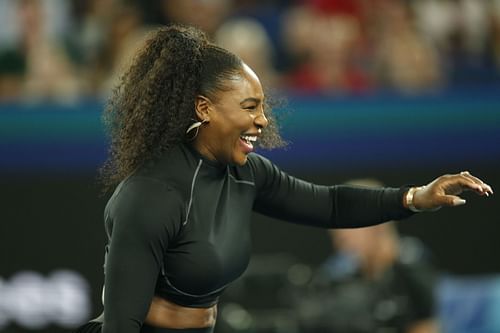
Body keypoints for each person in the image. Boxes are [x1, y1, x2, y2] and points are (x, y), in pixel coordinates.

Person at [75, 24, 493, 333]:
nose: (262, 119)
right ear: (203, 108)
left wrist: (417, 197)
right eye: (250, 106)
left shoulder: (247, 174)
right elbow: (121, 323)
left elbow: (330, 204)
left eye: (262, 107)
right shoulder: (149, 196)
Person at [295, 179, 439, 333]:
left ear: (375, 221)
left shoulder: (410, 271)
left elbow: (426, 327)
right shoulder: (345, 275)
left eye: (346, 224)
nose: (339, 236)